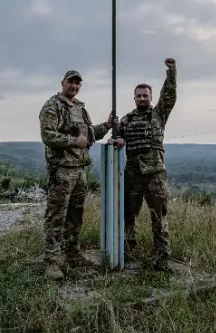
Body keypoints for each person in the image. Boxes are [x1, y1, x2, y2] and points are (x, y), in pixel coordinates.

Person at [39, 69, 116, 280]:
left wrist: (107, 126)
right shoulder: (52, 106)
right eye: (70, 82)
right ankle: (52, 261)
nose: (74, 86)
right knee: (56, 216)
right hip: (62, 170)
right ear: (62, 82)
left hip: (80, 170)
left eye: (77, 83)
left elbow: (89, 134)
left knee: (75, 215)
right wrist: (73, 141)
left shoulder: (80, 108)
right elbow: (48, 135)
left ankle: (72, 252)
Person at [114, 58, 177, 271]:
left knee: (159, 217)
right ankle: (128, 252)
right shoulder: (126, 120)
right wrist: (117, 139)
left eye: (145, 96)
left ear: (150, 98)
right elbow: (115, 139)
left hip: (155, 174)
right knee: (128, 215)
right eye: (139, 96)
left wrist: (171, 72)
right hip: (133, 175)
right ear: (134, 98)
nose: (142, 98)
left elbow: (169, 96)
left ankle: (161, 258)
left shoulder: (158, 114)